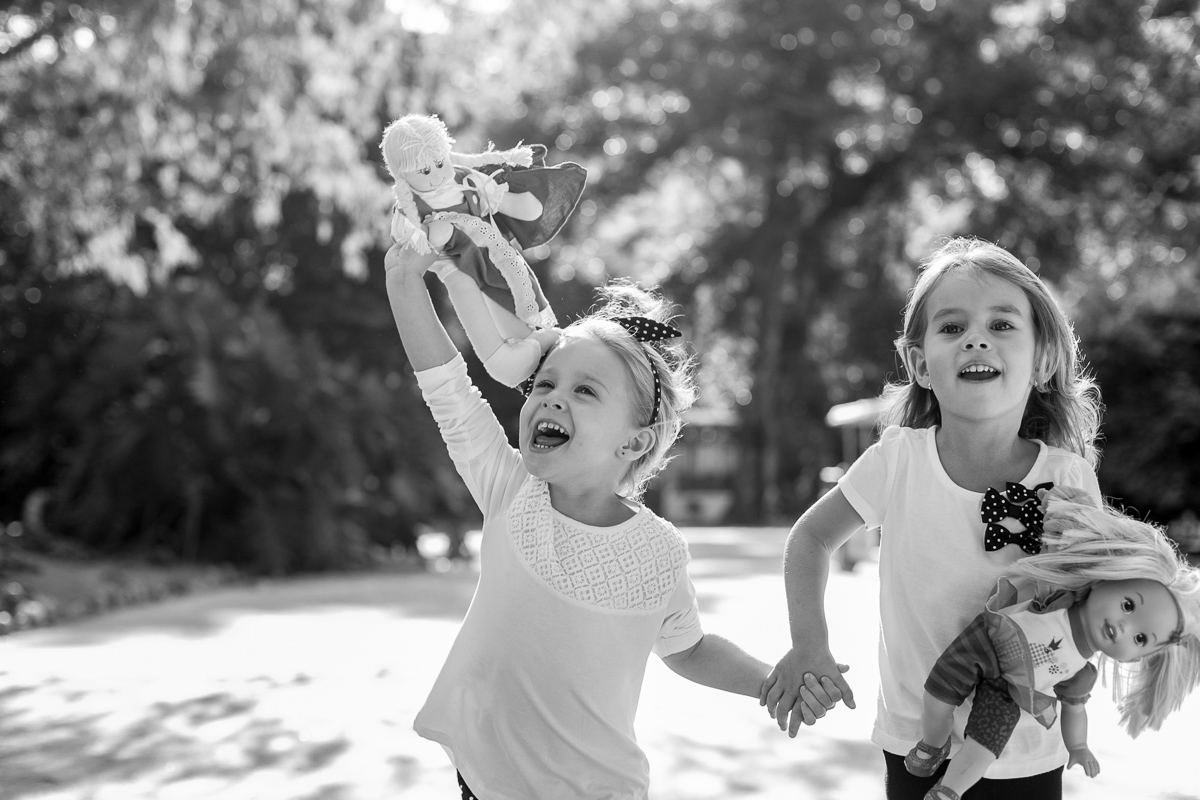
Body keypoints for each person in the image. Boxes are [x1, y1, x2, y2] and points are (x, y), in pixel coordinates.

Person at [385, 242, 778, 800]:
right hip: (488, 784)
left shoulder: (658, 551)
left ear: (635, 441)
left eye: (584, 390)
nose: (551, 399)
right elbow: (448, 390)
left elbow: (688, 648)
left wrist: (770, 681)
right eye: (544, 383)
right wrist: (404, 283)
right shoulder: (510, 490)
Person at [761, 237, 1104, 800]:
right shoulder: (898, 460)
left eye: (1002, 324)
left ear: (1042, 359)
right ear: (919, 364)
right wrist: (809, 644)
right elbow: (811, 539)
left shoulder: (1067, 479)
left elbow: (1090, 595)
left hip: (1027, 748)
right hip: (917, 743)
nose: (976, 338)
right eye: (951, 328)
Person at [909, 489, 1200, 800]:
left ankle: (949, 790)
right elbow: (1059, 540)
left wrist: (1078, 746)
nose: (1123, 627)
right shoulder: (1062, 595)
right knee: (938, 696)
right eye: (1127, 605)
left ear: (1136, 658)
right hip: (984, 642)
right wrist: (1062, 508)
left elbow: (1075, 711)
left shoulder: (1081, 674)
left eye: (1140, 639)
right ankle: (934, 742)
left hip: (1009, 693)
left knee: (985, 747)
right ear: (1104, 580)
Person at [381, 113, 586, 388]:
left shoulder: (466, 179)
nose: (436, 175)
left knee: (517, 305)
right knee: (483, 324)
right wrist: (430, 235)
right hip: (457, 272)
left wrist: (518, 204)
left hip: (496, 256)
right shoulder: (411, 208)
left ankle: (540, 345)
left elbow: (497, 199)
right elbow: (405, 240)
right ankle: (518, 359)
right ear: (401, 174)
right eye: (424, 171)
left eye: (440, 163)